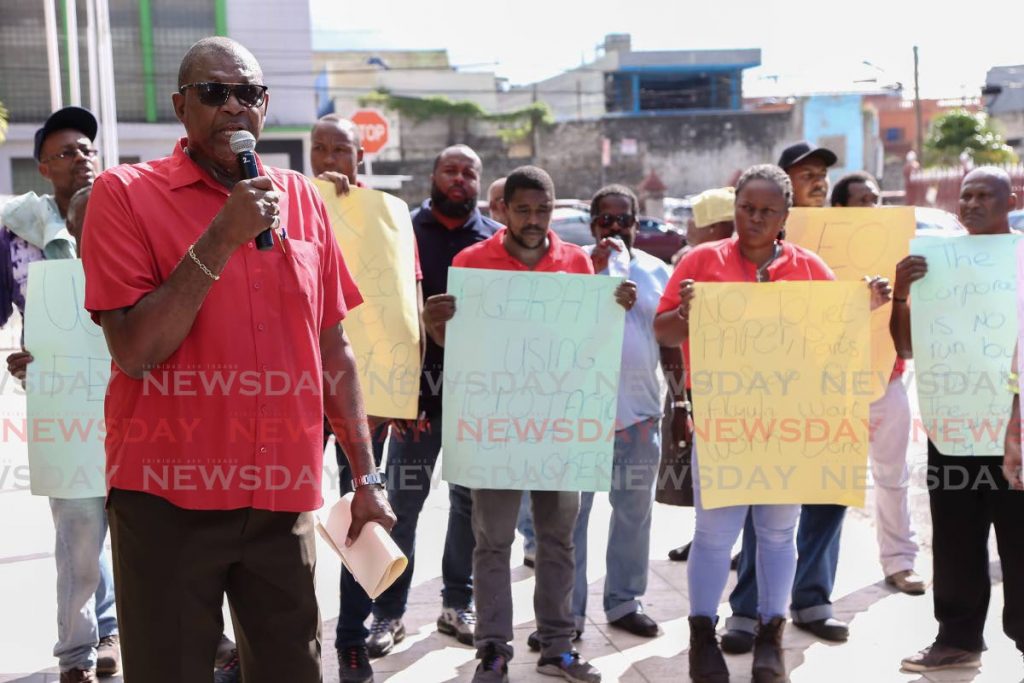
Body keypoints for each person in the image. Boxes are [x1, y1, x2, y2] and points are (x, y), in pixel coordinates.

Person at [79, 37, 395, 683]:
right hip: (168, 499)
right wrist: (220, 238)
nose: (233, 106)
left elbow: (334, 345)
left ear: (265, 106)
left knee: (292, 670)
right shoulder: (124, 194)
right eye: (213, 92)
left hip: (283, 495)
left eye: (247, 92)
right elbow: (135, 350)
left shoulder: (301, 199)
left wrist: (367, 476)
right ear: (180, 106)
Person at [654, 164, 888, 682]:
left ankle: (770, 639)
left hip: (786, 421)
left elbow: (833, 336)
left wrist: (864, 305)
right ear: (734, 207)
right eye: (746, 208)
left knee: (779, 534)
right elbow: (664, 332)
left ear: (785, 216)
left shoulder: (808, 268)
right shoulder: (700, 261)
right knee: (714, 535)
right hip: (724, 420)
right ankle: (701, 639)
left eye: (766, 211)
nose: (754, 219)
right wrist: (689, 313)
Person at [423, 165, 636, 683]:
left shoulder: (578, 262)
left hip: (558, 428)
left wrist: (615, 312)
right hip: (497, 428)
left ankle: (558, 648)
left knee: (558, 542)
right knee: (492, 542)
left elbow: (589, 345)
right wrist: (435, 326)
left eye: (543, 209)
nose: (534, 220)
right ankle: (493, 649)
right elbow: (461, 350)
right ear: (503, 211)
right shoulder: (471, 263)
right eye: (523, 210)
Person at [334, 144, 499, 680]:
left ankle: (457, 602)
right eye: (450, 170)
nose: (458, 178)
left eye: (468, 172)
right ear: (432, 176)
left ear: (478, 182)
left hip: (475, 395)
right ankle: (388, 611)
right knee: (401, 502)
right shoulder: (399, 230)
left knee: (469, 503)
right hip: (413, 400)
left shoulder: (492, 240)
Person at [721, 142, 857, 652]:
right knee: (766, 504)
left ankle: (813, 598)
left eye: (823, 174)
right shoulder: (745, 237)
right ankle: (749, 607)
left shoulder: (855, 227)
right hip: (759, 397)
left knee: (826, 498)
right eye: (807, 174)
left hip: (821, 391)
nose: (819, 181)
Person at [1, 107, 121, 683]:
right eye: (68, 152)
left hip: (134, 395)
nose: (83, 158)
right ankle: (76, 651)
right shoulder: (16, 230)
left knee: (136, 520)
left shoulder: (128, 216)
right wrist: (25, 356)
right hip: (62, 402)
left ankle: (115, 630)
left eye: (88, 149)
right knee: (78, 531)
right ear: (44, 167)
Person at [896, 167, 1024, 672]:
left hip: (1015, 431)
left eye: (982, 196)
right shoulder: (937, 263)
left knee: (1020, 537)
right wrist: (904, 294)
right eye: (964, 196)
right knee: (954, 534)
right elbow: (906, 345)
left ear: (1009, 200)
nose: (969, 204)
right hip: (955, 425)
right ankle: (957, 637)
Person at [565, 184, 679, 640]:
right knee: (569, 520)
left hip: (639, 414)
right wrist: (595, 286)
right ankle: (566, 616)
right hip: (578, 417)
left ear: (637, 224)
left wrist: (681, 401)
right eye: (605, 220)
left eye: (623, 220)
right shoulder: (571, 266)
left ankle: (625, 600)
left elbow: (669, 341)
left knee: (633, 513)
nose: (614, 228)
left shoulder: (656, 271)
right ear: (591, 225)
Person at [830, 170, 925, 597]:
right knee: (823, 483)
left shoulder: (898, 253)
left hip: (888, 380)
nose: (872, 207)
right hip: (834, 387)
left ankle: (900, 562)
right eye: (861, 200)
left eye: (875, 198)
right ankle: (811, 579)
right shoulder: (824, 258)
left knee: (892, 476)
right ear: (840, 210)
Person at [665, 187, 735, 563]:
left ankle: (733, 543)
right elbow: (667, 328)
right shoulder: (692, 261)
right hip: (697, 381)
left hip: (736, 386)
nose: (687, 226)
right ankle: (707, 539)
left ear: (714, 226)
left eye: (695, 219)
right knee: (704, 475)